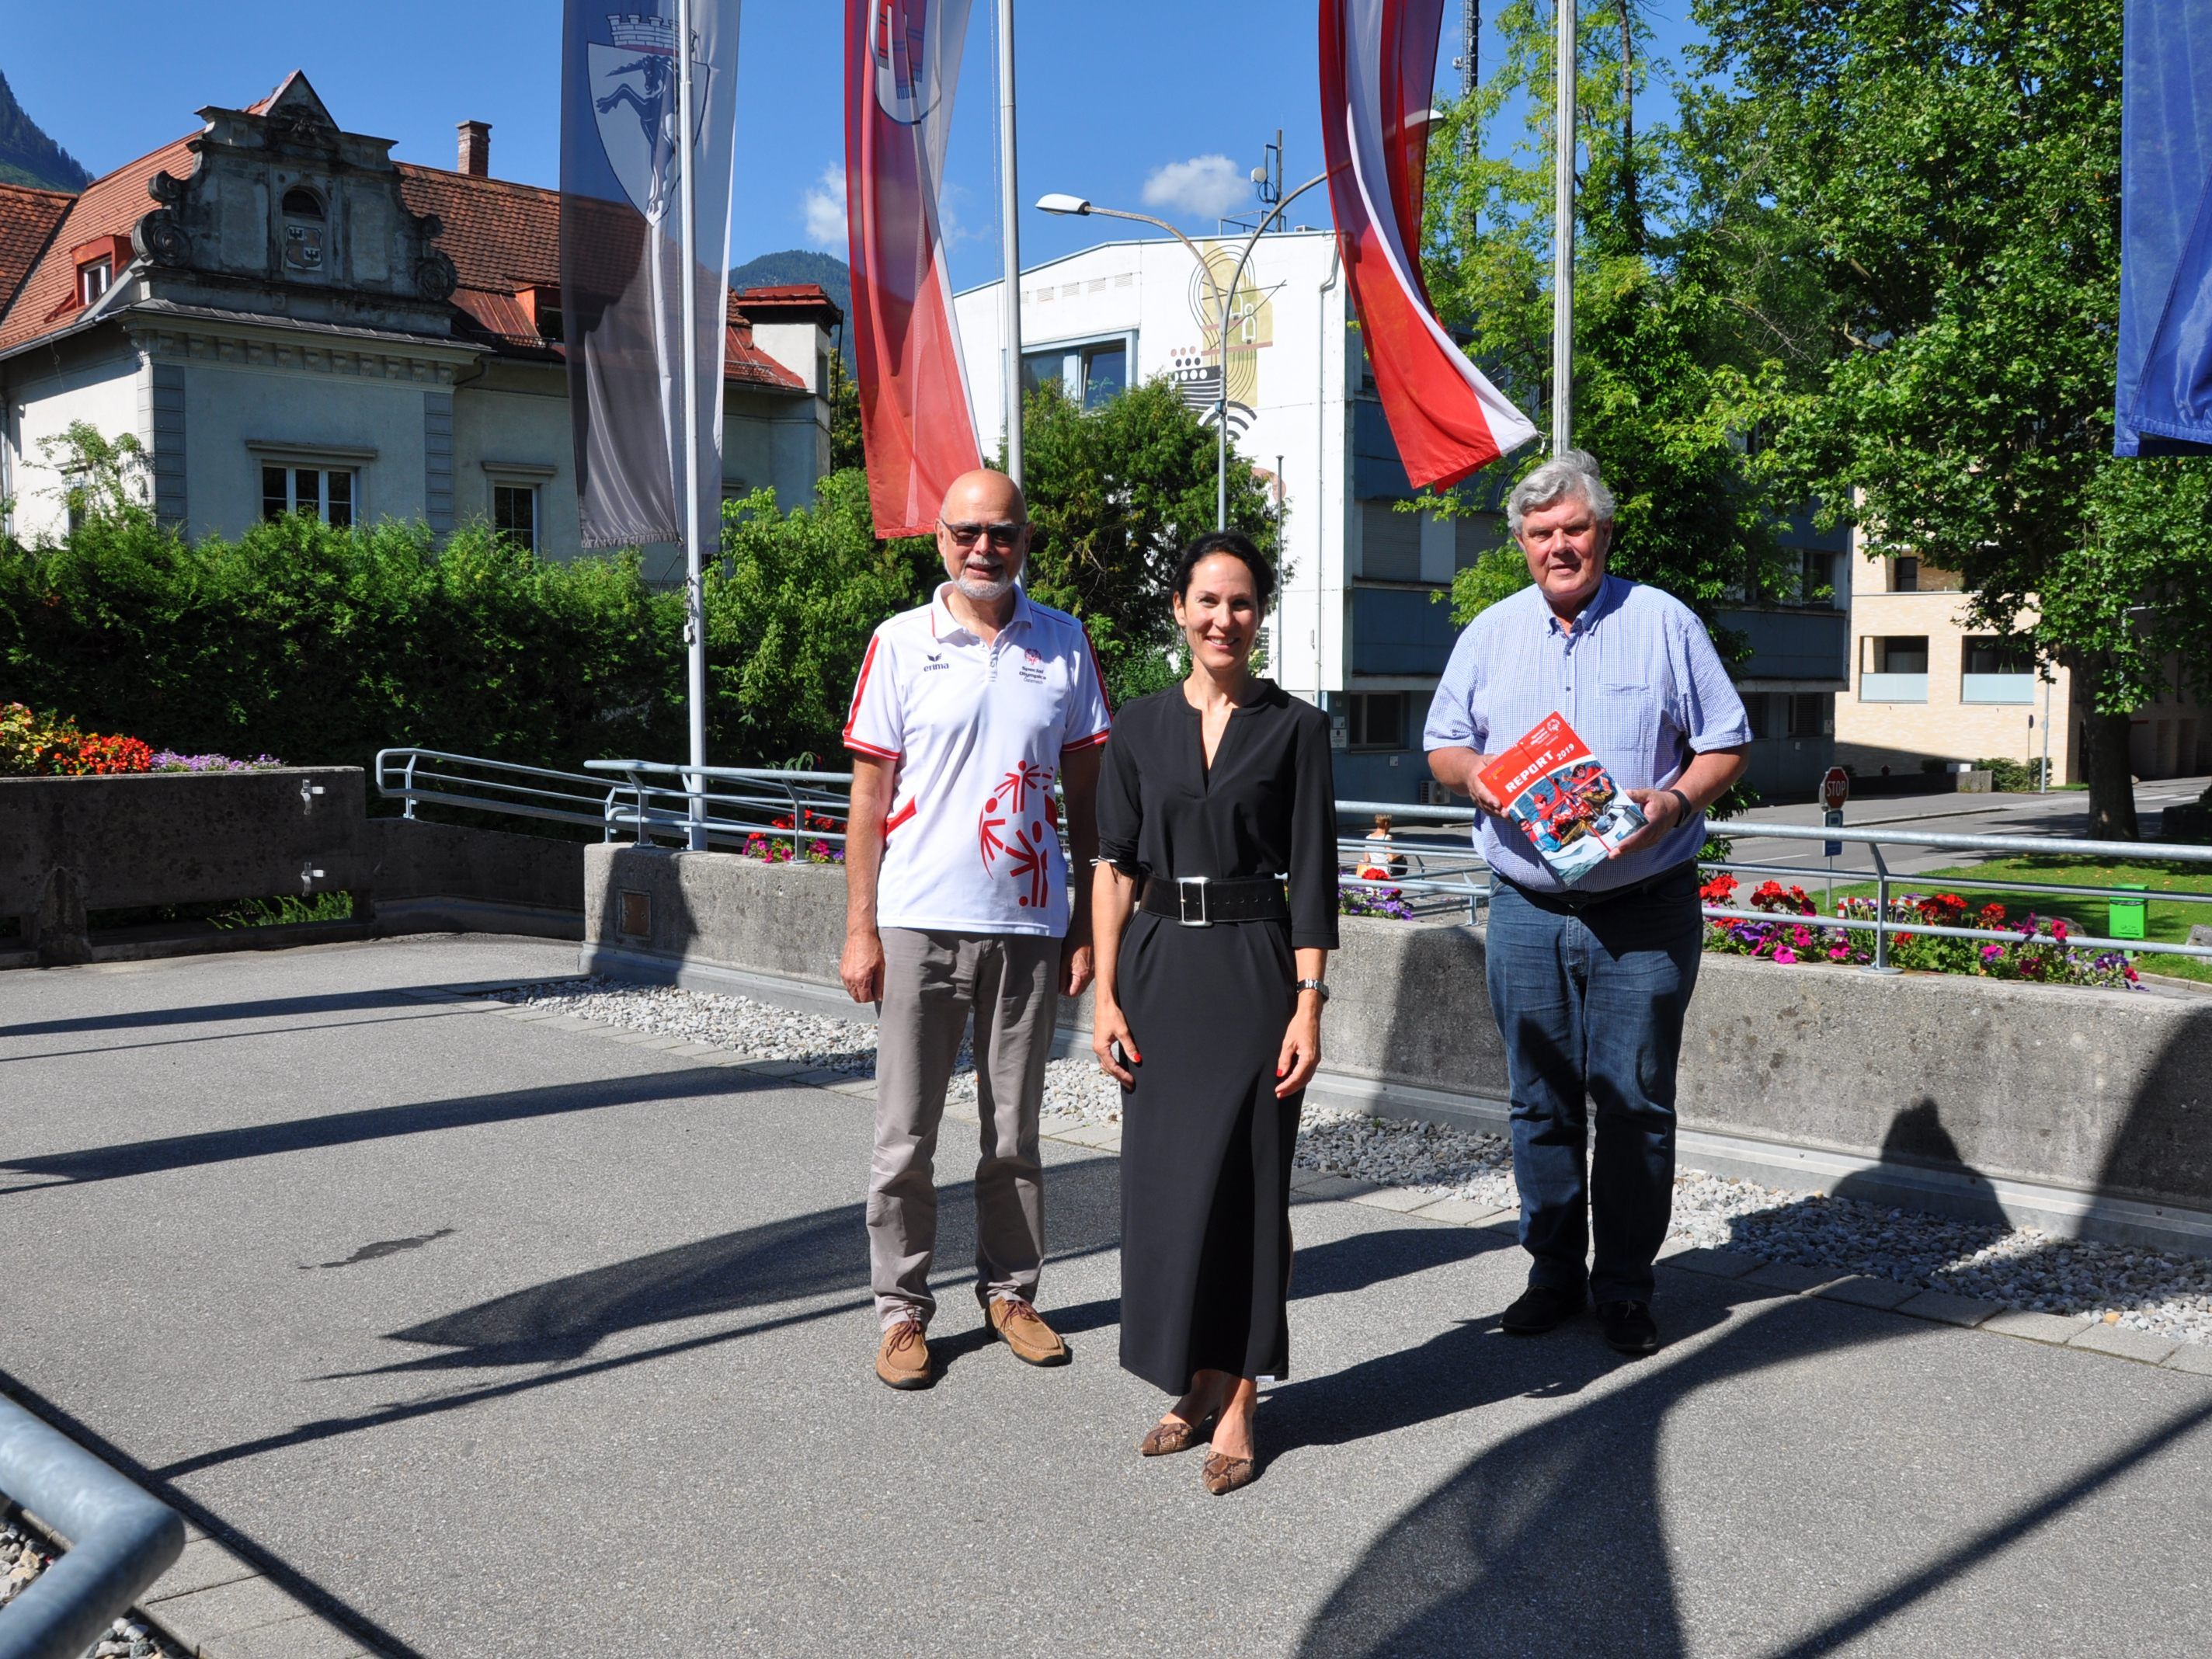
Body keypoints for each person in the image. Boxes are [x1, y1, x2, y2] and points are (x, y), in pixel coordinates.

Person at [1422, 450, 1750, 1358]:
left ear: (1602, 533)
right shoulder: (1489, 633)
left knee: (1637, 1105)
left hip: (1643, 907)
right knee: (1539, 1105)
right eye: (1540, 534)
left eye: (1574, 529)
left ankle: (1627, 1287)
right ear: (1521, 544)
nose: (1558, 546)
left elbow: (1725, 743)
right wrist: (1482, 780)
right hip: (1527, 908)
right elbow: (1442, 744)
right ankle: (1553, 1272)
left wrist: (1674, 803)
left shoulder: (1663, 623)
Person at [840, 468, 1111, 1390]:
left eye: (1001, 532)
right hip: (919, 919)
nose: (983, 548)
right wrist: (860, 929)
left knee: (1014, 1133)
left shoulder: (1065, 644)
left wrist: (1082, 927)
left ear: (1026, 538)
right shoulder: (899, 643)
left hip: (1030, 923)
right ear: (940, 540)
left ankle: (1012, 1294)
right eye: (966, 533)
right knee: (904, 1135)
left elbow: (1087, 799)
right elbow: (869, 796)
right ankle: (902, 1312)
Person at [1090, 531, 1338, 1495]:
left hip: (1251, 971)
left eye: (1239, 602)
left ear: (1259, 613)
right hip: (1154, 969)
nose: (1222, 619)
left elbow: (1313, 879)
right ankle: (1188, 1377)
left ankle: (1238, 1394)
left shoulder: (1296, 730)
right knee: (1169, 1190)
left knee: (1248, 1191)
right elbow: (1114, 865)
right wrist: (1105, 993)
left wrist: (1307, 1004)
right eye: (1205, 601)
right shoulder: (1137, 726)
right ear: (1178, 612)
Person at [1358, 812, 1407, 882]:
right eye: (1390, 824)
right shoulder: (1387, 838)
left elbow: (1366, 860)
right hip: (1384, 873)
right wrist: (1401, 855)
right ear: (1386, 824)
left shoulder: (1368, 837)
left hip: (1373, 873)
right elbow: (1391, 858)